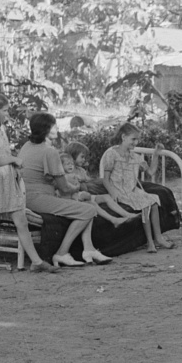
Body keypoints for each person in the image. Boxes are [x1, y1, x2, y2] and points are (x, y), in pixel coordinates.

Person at [0, 91, 58, 275]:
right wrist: (13, 160)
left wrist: (14, 167)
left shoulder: (0, 130)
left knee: (21, 220)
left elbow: (2, 153)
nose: (7, 114)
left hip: (7, 181)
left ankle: (36, 261)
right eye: (4, 110)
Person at [18, 112, 113, 266]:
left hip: (24, 196)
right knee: (88, 210)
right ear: (47, 129)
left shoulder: (27, 146)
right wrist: (77, 187)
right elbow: (64, 188)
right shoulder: (49, 151)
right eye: (54, 125)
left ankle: (89, 249)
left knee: (86, 207)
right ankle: (62, 253)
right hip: (36, 198)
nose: (57, 128)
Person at [100, 123, 174, 253]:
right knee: (146, 204)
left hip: (132, 190)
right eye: (133, 139)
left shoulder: (135, 157)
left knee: (154, 201)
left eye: (137, 139)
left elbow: (150, 172)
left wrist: (155, 154)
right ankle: (150, 242)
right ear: (123, 137)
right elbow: (105, 179)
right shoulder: (112, 154)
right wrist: (112, 192)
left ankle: (158, 238)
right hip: (119, 191)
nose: (136, 142)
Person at [58, 143, 139, 228]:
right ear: (73, 155)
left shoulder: (81, 170)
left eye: (84, 157)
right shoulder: (66, 171)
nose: (84, 160)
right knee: (91, 203)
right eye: (82, 157)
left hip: (84, 194)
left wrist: (84, 180)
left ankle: (127, 214)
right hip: (74, 198)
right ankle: (113, 220)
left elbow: (86, 185)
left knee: (106, 197)